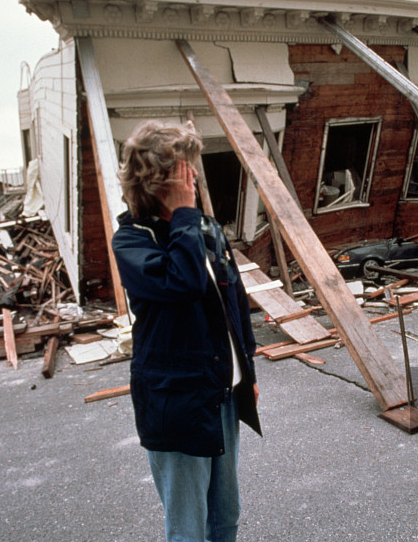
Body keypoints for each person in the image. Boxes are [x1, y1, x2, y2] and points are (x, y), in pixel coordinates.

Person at [111, 120, 261, 542]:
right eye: (183, 169)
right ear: (157, 180)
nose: (193, 177)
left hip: (221, 394)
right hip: (176, 402)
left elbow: (235, 304)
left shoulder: (203, 230)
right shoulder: (133, 242)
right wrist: (182, 216)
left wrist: (246, 372)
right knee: (189, 529)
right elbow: (184, 282)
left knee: (225, 516)